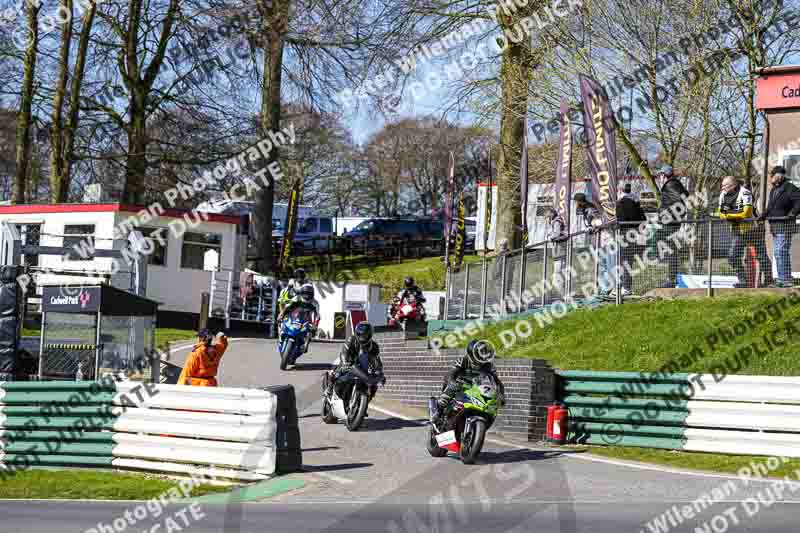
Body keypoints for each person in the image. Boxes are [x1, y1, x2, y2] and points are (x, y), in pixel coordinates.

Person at [432, 339, 506, 429]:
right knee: (446, 396)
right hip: (458, 384)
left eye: (484, 353)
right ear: (472, 353)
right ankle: (437, 414)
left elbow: (496, 381)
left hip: (474, 387)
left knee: (487, 400)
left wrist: (500, 394)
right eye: (480, 353)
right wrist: (452, 382)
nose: (482, 356)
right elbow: (451, 374)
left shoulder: (488, 366)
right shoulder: (463, 360)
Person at [325, 322, 385, 400]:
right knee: (336, 372)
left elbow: (377, 361)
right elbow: (344, 352)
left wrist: (379, 372)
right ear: (356, 334)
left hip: (363, 369)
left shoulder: (374, 347)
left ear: (370, 334)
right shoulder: (351, 340)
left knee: (374, 386)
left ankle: (363, 407)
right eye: (360, 335)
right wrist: (344, 362)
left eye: (364, 335)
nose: (362, 338)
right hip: (349, 362)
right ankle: (329, 389)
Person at [761, 166, 800, 287]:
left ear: (779, 175)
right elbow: (770, 206)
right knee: (779, 253)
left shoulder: (790, 187)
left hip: (785, 225)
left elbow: (799, 201)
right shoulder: (774, 190)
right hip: (774, 226)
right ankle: (784, 278)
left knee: (780, 251)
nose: (770, 178)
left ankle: (785, 279)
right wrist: (764, 215)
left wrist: (792, 214)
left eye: (772, 175)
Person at [718, 175, 758, 288]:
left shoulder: (745, 193)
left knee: (761, 256)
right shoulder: (723, 195)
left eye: (725, 186)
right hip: (736, 230)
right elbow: (721, 213)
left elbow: (747, 213)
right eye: (722, 186)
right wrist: (735, 214)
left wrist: (729, 214)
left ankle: (769, 279)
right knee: (733, 256)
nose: (723, 188)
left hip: (751, 229)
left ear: (733, 185)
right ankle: (743, 280)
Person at [574, 192, 615, 296]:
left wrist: (592, 226)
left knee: (605, 265)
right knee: (601, 265)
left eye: (576, 201)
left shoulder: (590, 209)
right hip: (598, 240)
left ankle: (607, 288)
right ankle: (603, 287)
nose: (575, 204)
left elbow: (599, 221)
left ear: (579, 201)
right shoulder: (585, 209)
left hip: (604, 239)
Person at [655, 165, 690, 288]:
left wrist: (666, 214)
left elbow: (680, 200)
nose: (659, 178)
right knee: (671, 250)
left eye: (660, 176)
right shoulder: (674, 184)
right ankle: (672, 278)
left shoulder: (670, 185)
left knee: (671, 251)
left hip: (671, 223)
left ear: (664, 175)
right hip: (672, 222)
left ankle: (672, 279)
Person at [616, 183, 647, 295]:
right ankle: (625, 286)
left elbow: (619, 220)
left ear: (621, 190)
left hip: (625, 235)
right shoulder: (636, 203)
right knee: (628, 261)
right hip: (635, 235)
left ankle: (625, 287)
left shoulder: (620, 203)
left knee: (624, 261)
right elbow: (643, 219)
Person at [277, 283, 319, 353]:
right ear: (302, 292)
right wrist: (281, 314)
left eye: (309, 293)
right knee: (281, 322)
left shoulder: (315, 303)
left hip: (306, 318)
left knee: (310, 331)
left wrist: (315, 325)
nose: (307, 295)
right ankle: (281, 339)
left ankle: (306, 345)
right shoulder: (296, 298)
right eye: (305, 293)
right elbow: (287, 307)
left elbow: (317, 316)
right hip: (293, 315)